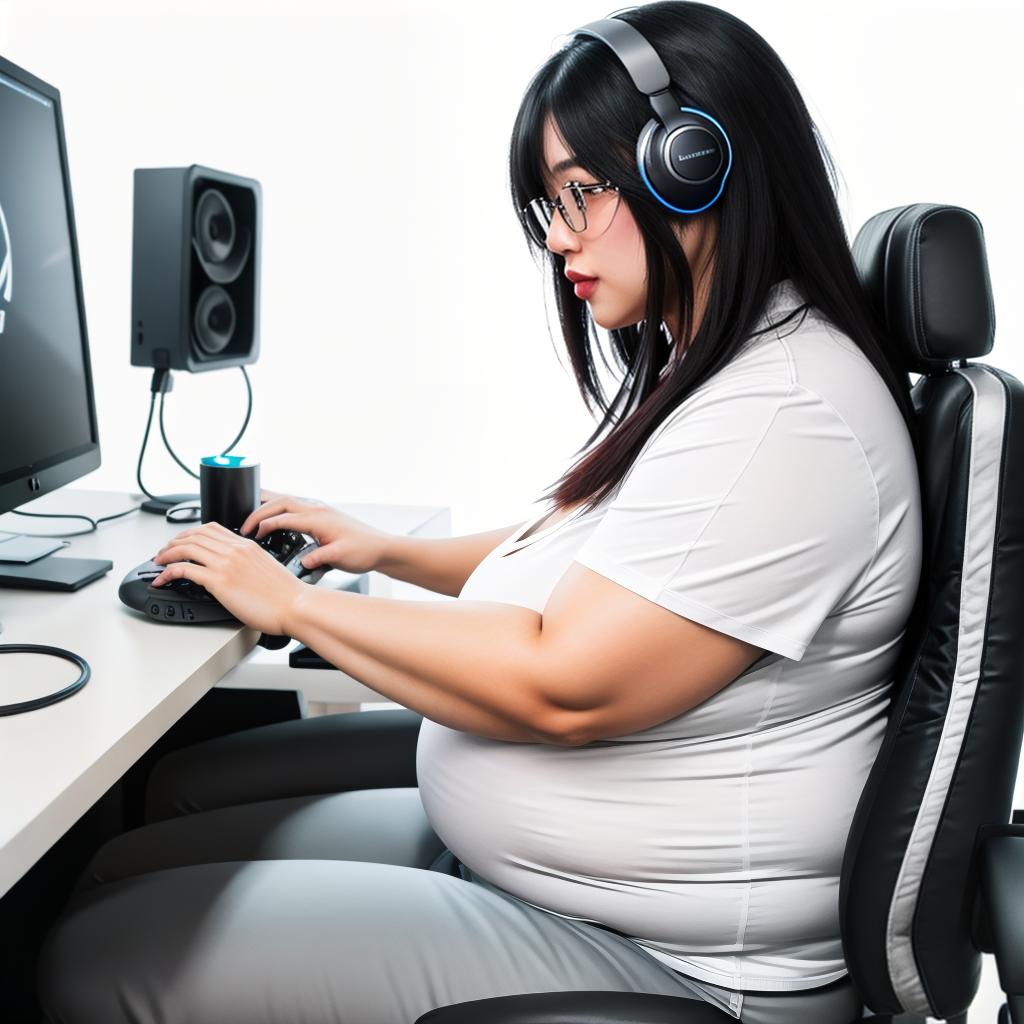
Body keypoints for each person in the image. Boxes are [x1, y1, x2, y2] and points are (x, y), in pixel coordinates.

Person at [36, 3, 923, 1022]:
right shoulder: (735, 370)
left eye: (579, 193)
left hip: (676, 969)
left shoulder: (786, 416)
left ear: (694, 161)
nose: (556, 238)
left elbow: (563, 684)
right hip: (573, 892)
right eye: (548, 203)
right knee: (125, 853)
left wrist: (290, 605)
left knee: (87, 952)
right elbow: (615, 570)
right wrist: (389, 552)